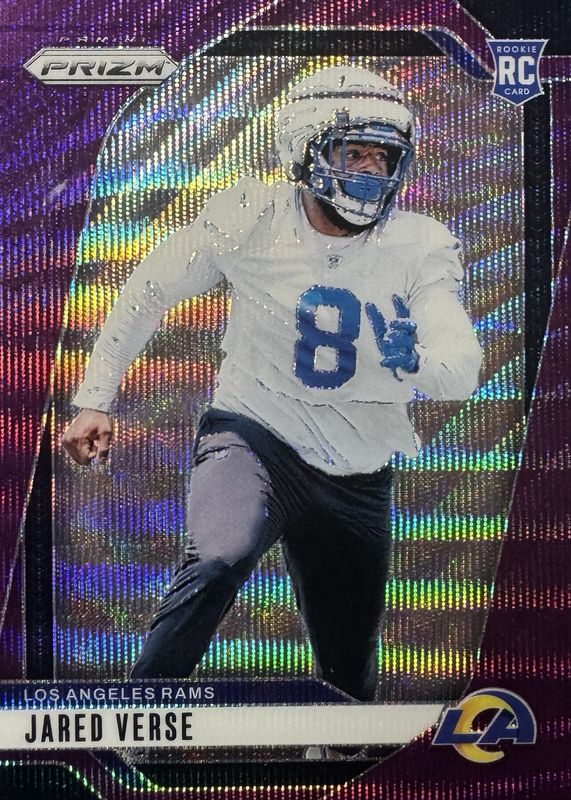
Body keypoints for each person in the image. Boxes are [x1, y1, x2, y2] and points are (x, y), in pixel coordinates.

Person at [62, 66, 482, 702]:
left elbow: (461, 370)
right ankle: (138, 720)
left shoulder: (417, 243)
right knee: (219, 557)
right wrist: (96, 398)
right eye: (355, 152)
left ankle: (339, 746)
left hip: (357, 468)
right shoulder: (252, 215)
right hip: (255, 433)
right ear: (306, 149)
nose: (371, 170)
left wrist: (415, 360)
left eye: (384, 155)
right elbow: (149, 287)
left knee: (348, 663)